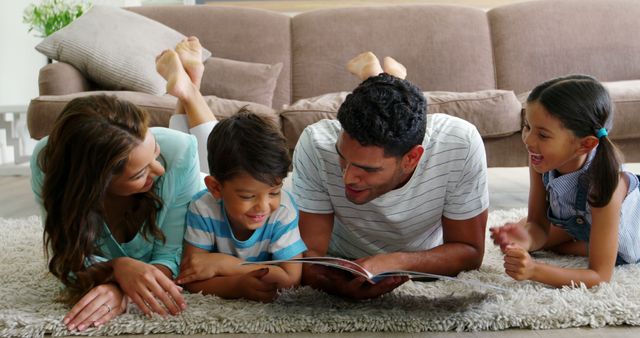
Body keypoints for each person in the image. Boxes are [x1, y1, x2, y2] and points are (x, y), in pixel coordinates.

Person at [291, 52, 490, 299]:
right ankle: (379, 77)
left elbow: (470, 252)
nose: (348, 177)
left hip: (422, 251)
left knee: (404, 113)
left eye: (368, 168)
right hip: (343, 255)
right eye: (342, 156)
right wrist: (334, 285)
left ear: (411, 159)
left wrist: (393, 262)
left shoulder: (459, 143)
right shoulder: (315, 143)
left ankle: (381, 76)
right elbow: (308, 257)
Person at [30, 94, 202, 331]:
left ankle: (188, 88)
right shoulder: (50, 166)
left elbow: (171, 254)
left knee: (217, 143)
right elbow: (68, 255)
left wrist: (120, 288)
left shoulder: (179, 153)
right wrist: (117, 267)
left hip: (208, 194)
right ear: (95, 185)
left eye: (155, 151)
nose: (159, 169)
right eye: (139, 174)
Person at [155, 37, 306, 302]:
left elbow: (292, 277)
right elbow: (191, 273)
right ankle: (189, 86)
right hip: (209, 185)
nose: (263, 206)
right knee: (183, 158)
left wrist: (226, 266)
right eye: (249, 197)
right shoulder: (202, 204)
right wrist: (236, 285)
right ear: (214, 188)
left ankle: (190, 87)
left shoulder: (281, 207)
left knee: (193, 155)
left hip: (236, 177)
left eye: (273, 192)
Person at [490, 74, 640, 288]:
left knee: (563, 247)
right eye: (527, 127)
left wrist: (534, 270)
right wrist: (524, 240)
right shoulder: (540, 161)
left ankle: (581, 243)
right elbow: (537, 225)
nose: (528, 140)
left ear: (585, 144)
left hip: (627, 244)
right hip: (581, 222)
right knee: (520, 230)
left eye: (543, 135)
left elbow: (599, 275)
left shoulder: (605, 186)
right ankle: (577, 240)